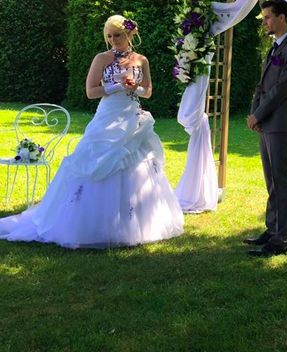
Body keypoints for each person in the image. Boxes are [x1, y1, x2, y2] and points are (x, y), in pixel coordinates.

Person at [0, 15, 184, 248]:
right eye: (109, 35)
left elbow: (148, 91)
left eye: (117, 35)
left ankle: (134, 223)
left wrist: (135, 87)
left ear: (129, 35)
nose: (113, 40)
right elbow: (91, 91)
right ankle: (89, 224)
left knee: (137, 165)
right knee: (96, 161)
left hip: (134, 118)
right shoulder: (102, 58)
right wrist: (118, 85)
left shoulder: (141, 60)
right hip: (108, 116)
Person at [244, 0, 287, 257]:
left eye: (268, 17)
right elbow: (262, 85)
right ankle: (272, 229)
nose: (265, 22)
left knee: (282, 179)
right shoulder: (274, 49)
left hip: (280, 122)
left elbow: (282, 89)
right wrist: (254, 113)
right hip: (266, 122)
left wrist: (259, 113)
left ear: (282, 18)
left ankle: (280, 239)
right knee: (271, 179)